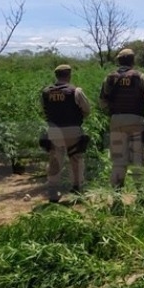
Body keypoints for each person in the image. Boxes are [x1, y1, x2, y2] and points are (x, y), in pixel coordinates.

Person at [99, 48, 144, 200]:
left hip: (117, 121)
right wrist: (142, 98)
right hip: (136, 121)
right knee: (138, 160)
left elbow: (102, 103)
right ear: (133, 61)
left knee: (119, 161)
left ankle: (117, 197)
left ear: (119, 61)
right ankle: (142, 197)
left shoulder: (109, 78)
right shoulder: (140, 77)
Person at [40, 64, 91, 202]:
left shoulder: (45, 92)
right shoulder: (76, 91)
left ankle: (52, 190)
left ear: (56, 76)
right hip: (73, 130)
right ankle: (77, 189)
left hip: (54, 131)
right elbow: (87, 110)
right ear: (69, 75)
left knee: (55, 161)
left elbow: (44, 110)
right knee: (76, 159)